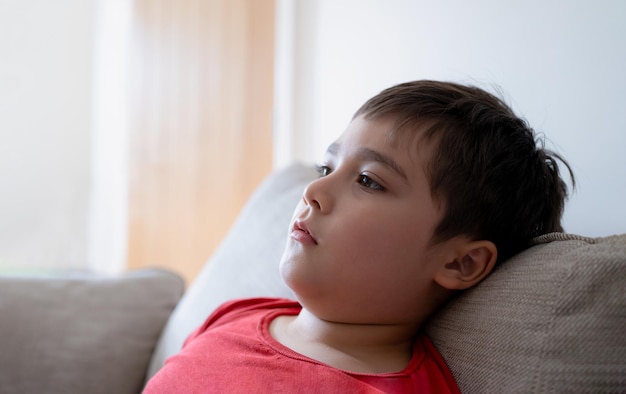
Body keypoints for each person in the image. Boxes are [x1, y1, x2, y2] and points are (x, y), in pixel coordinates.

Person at [144, 80, 574, 393]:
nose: (313, 192)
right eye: (326, 169)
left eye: (368, 180)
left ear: (459, 262)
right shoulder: (235, 315)